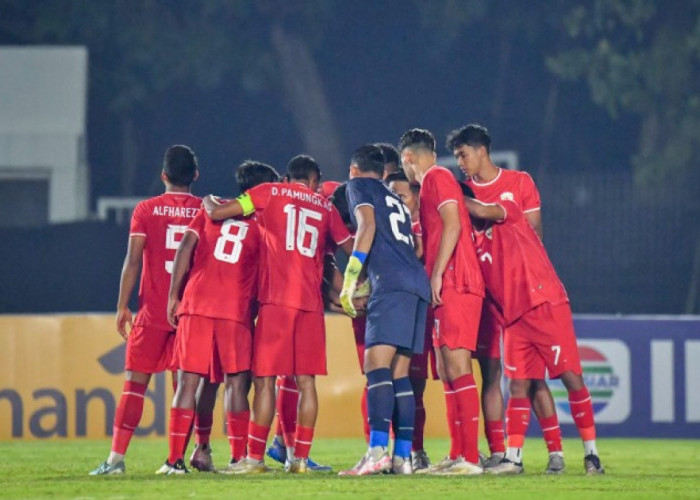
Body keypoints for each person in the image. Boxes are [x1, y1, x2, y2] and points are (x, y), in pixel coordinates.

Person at [203, 155, 353, 474]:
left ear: (288, 177)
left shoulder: (269, 191)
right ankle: (298, 459)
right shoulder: (325, 207)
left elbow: (218, 212)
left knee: (266, 380)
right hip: (310, 306)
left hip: (276, 302)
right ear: (315, 181)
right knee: (306, 383)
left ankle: (254, 459)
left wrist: (207, 199)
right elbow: (350, 248)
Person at [447, 123, 564, 473]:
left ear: (481, 151)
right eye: (456, 158)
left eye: (463, 155)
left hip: (522, 295)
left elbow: (535, 237)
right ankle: (500, 452)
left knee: (531, 377)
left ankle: (555, 452)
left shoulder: (519, 183)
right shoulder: (462, 189)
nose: (461, 163)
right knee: (490, 373)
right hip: (483, 297)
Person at [463, 195, 605, 475]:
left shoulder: (508, 213)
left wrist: (448, 194)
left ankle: (592, 455)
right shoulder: (473, 245)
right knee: (518, 387)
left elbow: (479, 208)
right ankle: (514, 458)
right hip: (513, 319)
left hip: (545, 305)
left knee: (571, 378)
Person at [154, 161, 278, 475]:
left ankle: (174, 461)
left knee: (188, 382)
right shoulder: (264, 223)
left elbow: (185, 245)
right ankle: (238, 459)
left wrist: (173, 294)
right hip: (234, 310)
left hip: (196, 303)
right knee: (237, 384)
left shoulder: (214, 206)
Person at [89, 145, 201, 475]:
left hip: (152, 311)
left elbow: (133, 261)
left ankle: (115, 460)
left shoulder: (146, 209)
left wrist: (122, 306)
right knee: (184, 387)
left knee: (133, 386)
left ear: (163, 175)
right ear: (195, 175)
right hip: (187, 311)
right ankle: (176, 460)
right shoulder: (205, 209)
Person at [338, 144, 431, 476]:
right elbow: (414, 245)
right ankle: (402, 457)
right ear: (384, 172)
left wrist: (350, 280)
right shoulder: (398, 199)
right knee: (400, 373)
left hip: (391, 285)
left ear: (354, 170)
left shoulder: (357, 186)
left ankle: (377, 451)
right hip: (418, 285)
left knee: (375, 365)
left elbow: (366, 227)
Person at [399, 128, 484, 475]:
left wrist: (436, 273)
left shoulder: (437, 177)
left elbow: (453, 225)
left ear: (407, 159)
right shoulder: (433, 183)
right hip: (446, 284)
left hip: (456, 281)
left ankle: (472, 458)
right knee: (448, 372)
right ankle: (457, 453)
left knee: (458, 368)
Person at [386, 171, 435, 471]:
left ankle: (416, 449)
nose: (397, 202)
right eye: (392, 196)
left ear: (416, 197)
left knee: (416, 386)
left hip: (423, 313)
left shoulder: (428, 226)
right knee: (390, 381)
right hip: (396, 309)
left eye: (401, 196)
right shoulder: (392, 227)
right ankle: (396, 449)